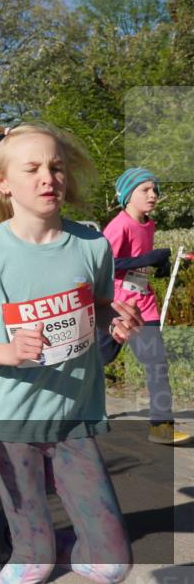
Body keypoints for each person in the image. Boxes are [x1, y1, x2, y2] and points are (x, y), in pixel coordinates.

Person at [0, 116, 141, 584]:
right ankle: (29, 541)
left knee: (112, 565)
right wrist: (8, 353)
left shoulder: (92, 245)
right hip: (11, 417)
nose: (48, 177)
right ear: (3, 182)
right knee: (33, 566)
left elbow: (99, 307)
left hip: (74, 415)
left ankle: (50, 539)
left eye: (56, 167)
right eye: (32, 169)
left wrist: (117, 320)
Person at [102, 167, 191, 445]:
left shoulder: (148, 224)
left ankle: (161, 427)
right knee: (99, 360)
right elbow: (105, 264)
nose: (153, 195)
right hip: (116, 306)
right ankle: (81, 407)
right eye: (145, 190)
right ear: (127, 195)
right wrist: (147, 259)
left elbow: (141, 261)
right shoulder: (119, 225)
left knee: (156, 363)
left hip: (144, 304)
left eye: (155, 190)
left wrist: (160, 265)